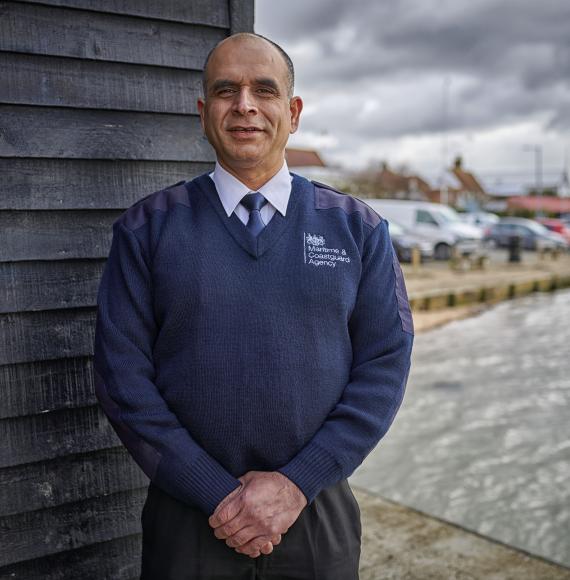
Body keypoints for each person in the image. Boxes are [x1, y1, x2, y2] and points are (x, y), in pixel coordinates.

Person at [93, 32, 414, 580]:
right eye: (226, 91)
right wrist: (214, 492)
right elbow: (122, 379)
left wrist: (296, 483)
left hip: (316, 514)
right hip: (187, 519)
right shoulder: (147, 229)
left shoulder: (357, 229)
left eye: (263, 91)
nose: (244, 106)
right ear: (203, 112)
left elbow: (385, 363)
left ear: (292, 112)